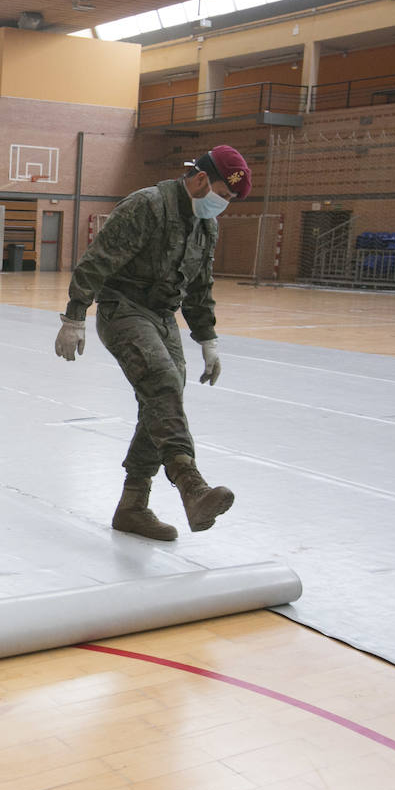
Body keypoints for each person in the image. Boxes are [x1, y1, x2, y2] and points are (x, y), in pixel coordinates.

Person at [53, 145, 251, 542]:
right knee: (161, 379)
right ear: (199, 180)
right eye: (222, 195)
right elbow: (97, 260)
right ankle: (191, 485)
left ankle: (133, 506)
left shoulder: (205, 225)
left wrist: (207, 338)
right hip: (122, 309)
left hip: (162, 317)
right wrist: (74, 316)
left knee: (163, 399)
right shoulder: (147, 206)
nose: (222, 205)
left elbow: (199, 288)